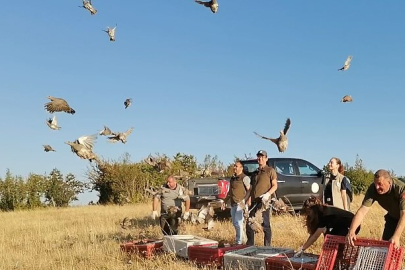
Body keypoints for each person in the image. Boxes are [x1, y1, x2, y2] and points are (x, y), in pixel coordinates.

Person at [347, 169, 405, 249]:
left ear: (389, 181)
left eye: (380, 184)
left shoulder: (401, 189)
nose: (377, 187)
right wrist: (352, 230)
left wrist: (396, 236)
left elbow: (404, 215)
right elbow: (362, 211)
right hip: (393, 218)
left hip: (403, 217)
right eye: (375, 184)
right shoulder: (373, 189)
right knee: (387, 247)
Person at [294, 196, 360, 257]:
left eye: (309, 212)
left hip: (352, 226)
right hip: (343, 225)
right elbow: (313, 234)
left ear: (312, 210)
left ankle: (334, 257)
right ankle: (336, 257)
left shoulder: (324, 215)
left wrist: (302, 249)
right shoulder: (323, 211)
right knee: (328, 235)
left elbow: (315, 236)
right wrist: (303, 247)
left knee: (328, 237)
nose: (308, 214)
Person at [246, 150, 278, 246]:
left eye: (263, 157)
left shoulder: (270, 171)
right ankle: (250, 245)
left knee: (266, 225)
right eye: (259, 157)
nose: (260, 158)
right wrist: (248, 199)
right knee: (250, 223)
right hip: (254, 202)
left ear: (266, 159)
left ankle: (267, 247)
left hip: (264, 202)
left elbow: (275, 185)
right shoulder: (255, 173)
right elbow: (251, 188)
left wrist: (268, 194)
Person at [222, 160, 251, 244]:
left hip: (240, 203)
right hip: (233, 203)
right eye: (234, 166)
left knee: (238, 222)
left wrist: (244, 200)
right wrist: (224, 201)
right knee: (234, 223)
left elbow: (249, 190)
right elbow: (230, 192)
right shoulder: (233, 178)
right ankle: (242, 239)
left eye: (236, 166)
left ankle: (239, 242)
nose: (234, 167)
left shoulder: (244, 178)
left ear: (241, 168)